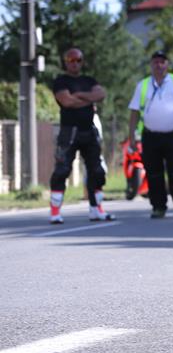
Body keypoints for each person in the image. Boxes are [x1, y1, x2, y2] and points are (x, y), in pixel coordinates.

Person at [127, 50, 173, 219]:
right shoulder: (142, 85)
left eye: (162, 62)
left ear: (167, 64)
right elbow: (134, 112)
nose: (159, 65)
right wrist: (131, 137)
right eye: (155, 62)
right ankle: (158, 207)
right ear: (151, 65)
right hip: (150, 135)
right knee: (154, 173)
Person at [48, 48, 114, 224]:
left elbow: (101, 94)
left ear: (82, 61)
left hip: (89, 131)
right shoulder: (61, 81)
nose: (75, 63)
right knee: (62, 170)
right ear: (66, 62)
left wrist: (80, 95)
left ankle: (96, 209)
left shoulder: (88, 80)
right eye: (71, 60)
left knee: (97, 171)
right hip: (69, 132)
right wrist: (88, 100)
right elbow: (66, 101)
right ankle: (55, 212)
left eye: (78, 60)